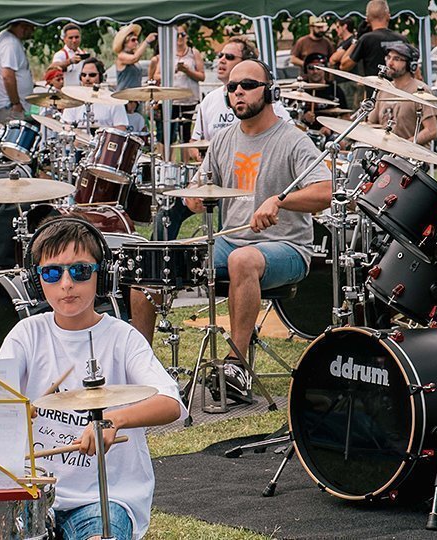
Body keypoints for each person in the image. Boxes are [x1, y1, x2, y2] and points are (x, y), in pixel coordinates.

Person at [0, 217, 185, 540]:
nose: (66, 284)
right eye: (52, 273)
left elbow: (171, 404)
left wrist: (112, 420)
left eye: (80, 271)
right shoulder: (26, 335)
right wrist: (11, 411)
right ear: (35, 281)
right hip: (35, 493)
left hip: (104, 499)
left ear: (103, 276)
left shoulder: (122, 338)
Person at [183, 59, 331, 403]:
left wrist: (280, 200)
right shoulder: (221, 141)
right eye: (232, 88)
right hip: (231, 241)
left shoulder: (293, 140)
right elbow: (199, 189)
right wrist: (193, 196)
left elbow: (326, 191)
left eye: (248, 85)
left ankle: (236, 366)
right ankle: (148, 374)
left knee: (243, 260)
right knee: (159, 262)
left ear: (270, 91)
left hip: (287, 248)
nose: (238, 92)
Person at [155, 37, 291, 241]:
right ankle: (161, 265)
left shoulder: (265, 101)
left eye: (229, 56)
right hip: (214, 177)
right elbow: (195, 143)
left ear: (248, 63)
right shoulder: (209, 100)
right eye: (220, 56)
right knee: (166, 212)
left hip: (248, 181)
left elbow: (286, 136)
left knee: (227, 223)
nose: (221, 61)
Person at [366, 43, 437, 145]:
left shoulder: (420, 90)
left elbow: (431, 131)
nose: (390, 63)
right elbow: (371, 123)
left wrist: (403, 146)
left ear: (411, 65)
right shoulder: (384, 89)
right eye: (388, 58)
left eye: (396, 59)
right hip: (384, 154)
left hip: (411, 157)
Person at [147, 23, 205, 141]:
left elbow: (202, 76)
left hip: (188, 99)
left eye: (182, 34)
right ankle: (168, 158)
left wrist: (187, 71)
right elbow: (156, 76)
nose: (179, 38)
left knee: (186, 134)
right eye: (177, 35)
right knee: (168, 135)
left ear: (186, 36)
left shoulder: (194, 53)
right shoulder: (167, 54)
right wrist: (174, 70)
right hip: (170, 99)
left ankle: (185, 159)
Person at [340, 0, 408, 77]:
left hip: (374, 87)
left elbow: (344, 65)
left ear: (367, 19)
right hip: (397, 88)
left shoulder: (366, 39)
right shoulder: (402, 39)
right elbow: (415, 72)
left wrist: (356, 39)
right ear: (388, 16)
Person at [59, 58, 127, 130]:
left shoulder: (114, 101)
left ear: (101, 77)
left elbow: (121, 129)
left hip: (103, 140)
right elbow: (66, 126)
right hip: (78, 140)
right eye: (83, 75)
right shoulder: (73, 101)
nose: (87, 78)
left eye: (92, 75)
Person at [0, 21, 35, 123]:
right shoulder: (10, 43)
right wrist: (16, 103)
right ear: (23, 27)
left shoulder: (6, 38)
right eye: (32, 28)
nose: (32, 32)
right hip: (8, 108)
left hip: (7, 106)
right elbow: (7, 76)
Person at [297, 53, 349, 132]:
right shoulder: (300, 89)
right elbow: (290, 116)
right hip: (306, 133)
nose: (315, 71)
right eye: (311, 68)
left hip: (330, 133)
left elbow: (345, 116)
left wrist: (332, 128)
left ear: (325, 70)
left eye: (319, 68)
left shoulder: (334, 89)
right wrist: (303, 117)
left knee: (341, 143)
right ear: (305, 70)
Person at [113, 23, 156, 92]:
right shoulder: (121, 56)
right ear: (125, 42)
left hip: (135, 97)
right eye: (133, 40)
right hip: (124, 97)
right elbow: (134, 58)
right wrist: (147, 41)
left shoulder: (132, 56)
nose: (136, 42)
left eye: (137, 39)